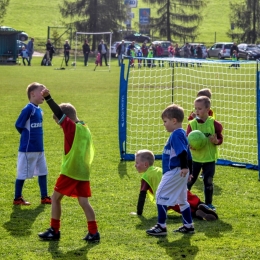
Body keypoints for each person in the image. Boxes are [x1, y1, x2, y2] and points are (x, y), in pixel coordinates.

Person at [38, 88, 100, 242]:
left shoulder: (71, 128)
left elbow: (59, 114)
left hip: (70, 171)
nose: (61, 126)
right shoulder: (85, 128)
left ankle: (54, 230)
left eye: (59, 123)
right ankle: (94, 232)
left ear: (66, 119)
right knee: (84, 202)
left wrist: (48, 98)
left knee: (55, 198)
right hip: (83, 171)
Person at [146, 104, 194, 236]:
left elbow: (183, 153)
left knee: (160, 196)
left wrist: (184, 168)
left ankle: (161, 226)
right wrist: (190, 171)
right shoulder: (182, 134)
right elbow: (189, 155)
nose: (164, 124)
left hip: (175, 171)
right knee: (182, 200)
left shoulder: (176, 135)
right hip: (181, 171)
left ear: (174, 121)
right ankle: (188, 225)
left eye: (165, 121)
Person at [132, 149, 218, 221]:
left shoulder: (146, 177)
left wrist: (139, 212)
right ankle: (200, 205)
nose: (135, 165)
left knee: (181, 207)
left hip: (168, 196)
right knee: (189, 198)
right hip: (179, 186)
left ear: (145, 164)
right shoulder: (159, 169)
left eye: (137, 163)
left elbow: (142, 195)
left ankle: (196, 213)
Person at [13, 82, 51, 206]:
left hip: (40, 148)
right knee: (22, 173)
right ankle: (17, 198)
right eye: (41, 91)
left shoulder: (39, 110)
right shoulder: (28, 108)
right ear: (32, 94)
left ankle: (44, 197)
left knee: (43, 172)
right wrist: (27, 137)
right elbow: (19, 124)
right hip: (28, 148)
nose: (43, 94)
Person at [186, 96, 223, 211]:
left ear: (208, 109)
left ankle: (208, 204)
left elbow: (220, 139)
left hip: (209, 159)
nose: (197, 111)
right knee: (190, 180)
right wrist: (190, 145)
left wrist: (216, 141)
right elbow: (187, 139)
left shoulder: (215, 124)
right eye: (195, 108)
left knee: (208, 181)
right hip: (195, 159)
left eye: (200, 108)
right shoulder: (192, 124)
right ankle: (181, 200)